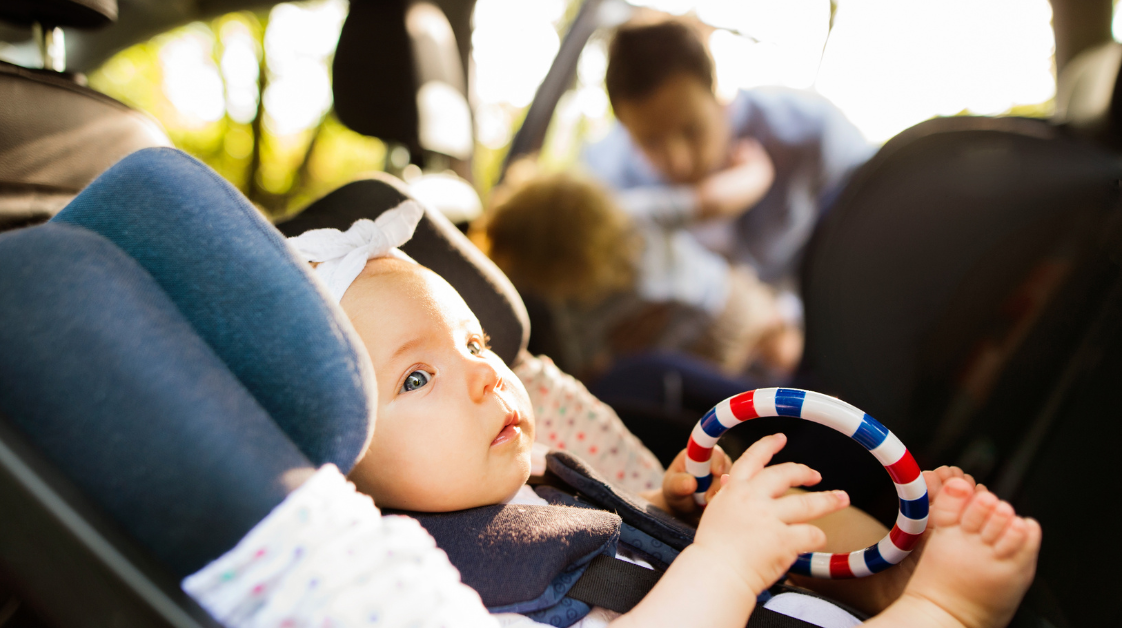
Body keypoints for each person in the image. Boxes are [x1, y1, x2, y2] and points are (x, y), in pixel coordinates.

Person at [274, 202, 1041, 628]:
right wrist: (728, 561)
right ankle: (950, 606)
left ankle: (890, 574)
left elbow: (602, 550)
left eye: (475, 341)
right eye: (416, 377)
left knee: (790, 503)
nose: (483, 373)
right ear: (340, 458)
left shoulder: (532, 486)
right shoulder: (425, 588)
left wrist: (667, 510)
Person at [583, 19, 876, 290]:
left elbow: (879, 212)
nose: (678, 161)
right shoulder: (607, 182)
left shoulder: (807, 130)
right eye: (650, 142)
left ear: (717, 92)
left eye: (691, 130)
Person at [483, 170, 802, 380]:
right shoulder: (632, 215)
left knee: (766, 362)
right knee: (784, 354)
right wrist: (756, 170)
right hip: (721, 308)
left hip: (702, 344)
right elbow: (712, 200)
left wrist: (615, 353)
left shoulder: (571, 300)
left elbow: (587, 369)